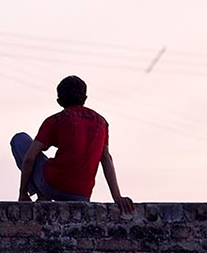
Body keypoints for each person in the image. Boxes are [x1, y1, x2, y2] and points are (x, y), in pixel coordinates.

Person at [10, 75, 136, 214]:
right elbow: (106, 159)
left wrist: (23, 194)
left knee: (19, 140)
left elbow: (29, 158)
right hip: (82, 195)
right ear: (85, 98)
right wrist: (117, 197)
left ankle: (42, 195)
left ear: (59, 101)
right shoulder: (101, 123)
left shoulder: (55, 121)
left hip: (53, 186)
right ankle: (43, 195)